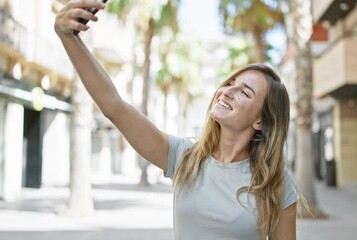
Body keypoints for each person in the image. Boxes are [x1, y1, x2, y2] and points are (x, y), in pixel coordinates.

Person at [54, 1, 298, 239]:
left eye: (245, 92)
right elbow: (113, 106)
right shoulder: (185, 157)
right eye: (230, 83)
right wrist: (68, 37)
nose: (227, 91)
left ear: (261, 121)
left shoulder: (275, 181)